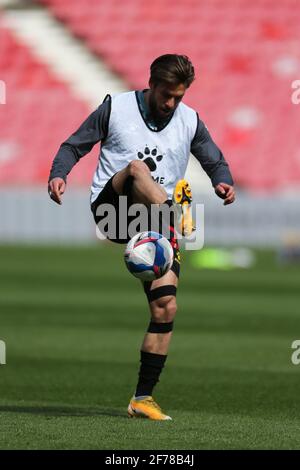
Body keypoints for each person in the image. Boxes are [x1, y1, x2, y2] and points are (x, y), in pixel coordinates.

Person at [48, 54, 235, 420]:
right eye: (166, 94)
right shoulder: (115, 107)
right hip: (114, 208)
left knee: (166, 307)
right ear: (151, 84)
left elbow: (213, 159)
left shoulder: (189, 120)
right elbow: (75, 145)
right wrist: (60, 173)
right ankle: (174, 210)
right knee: (136, 168)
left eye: (178, 97)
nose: (171, 103)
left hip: (154, 222)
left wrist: (222, 181)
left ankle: (141, 398)